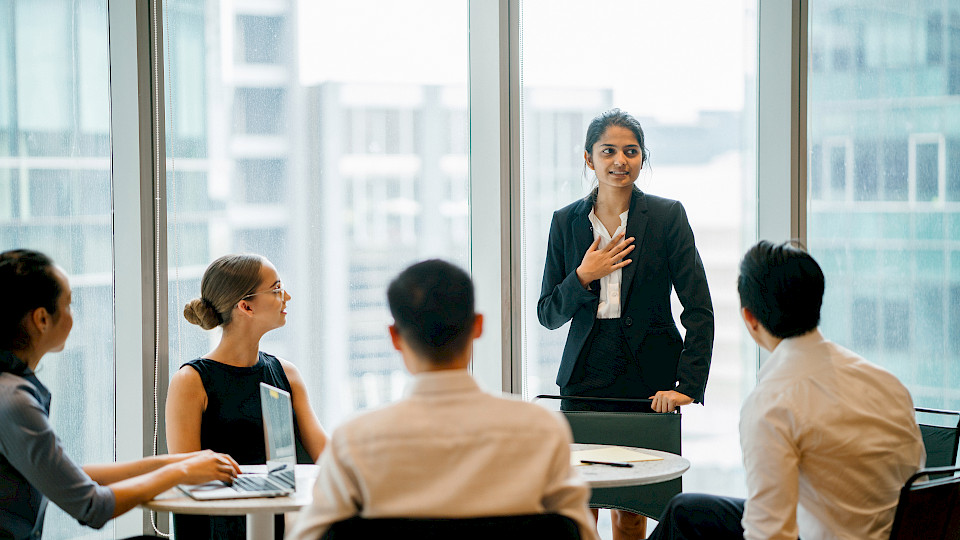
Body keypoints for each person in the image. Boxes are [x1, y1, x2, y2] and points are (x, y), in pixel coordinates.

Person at [287, 259, 599, 540]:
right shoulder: (542, 430)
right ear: (478, 326)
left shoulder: (354, 440)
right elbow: (579, 532)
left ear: (395, 337)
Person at [647, 240, 926, 540]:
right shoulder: (887, 383)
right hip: (893, 532)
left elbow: (770, 534)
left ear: (750, 318)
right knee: (686, 512)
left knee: (685, 520)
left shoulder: (772, 403)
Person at [537, 108, 714, 539]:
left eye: (631, 151)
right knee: (581, 506)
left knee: (632, 509)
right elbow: (548, 313)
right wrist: (583, 276)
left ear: (642, 158)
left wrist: (689, 385)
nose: (620, 160)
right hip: (584, 381)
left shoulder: (668, 217)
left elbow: (699, 308)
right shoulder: (565, 222)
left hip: (647, 383)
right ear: (589, 158)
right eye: (608, 151)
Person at [0, 249, 240, 540]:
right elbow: (93, 506)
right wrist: (183, 471)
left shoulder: (12, 390)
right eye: (69, 304)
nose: (74, 315)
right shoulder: (15, 401)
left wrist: (183, 462)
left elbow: (71, 475)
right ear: (41, 319)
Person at [165, 253, 327, 540]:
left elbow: (325, 455)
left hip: (281, 529)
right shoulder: (190, 381)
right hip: (215, 533)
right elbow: (186, 475)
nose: (287, 296)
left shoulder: (287, 374)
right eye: (277, 289)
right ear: (246, 306)